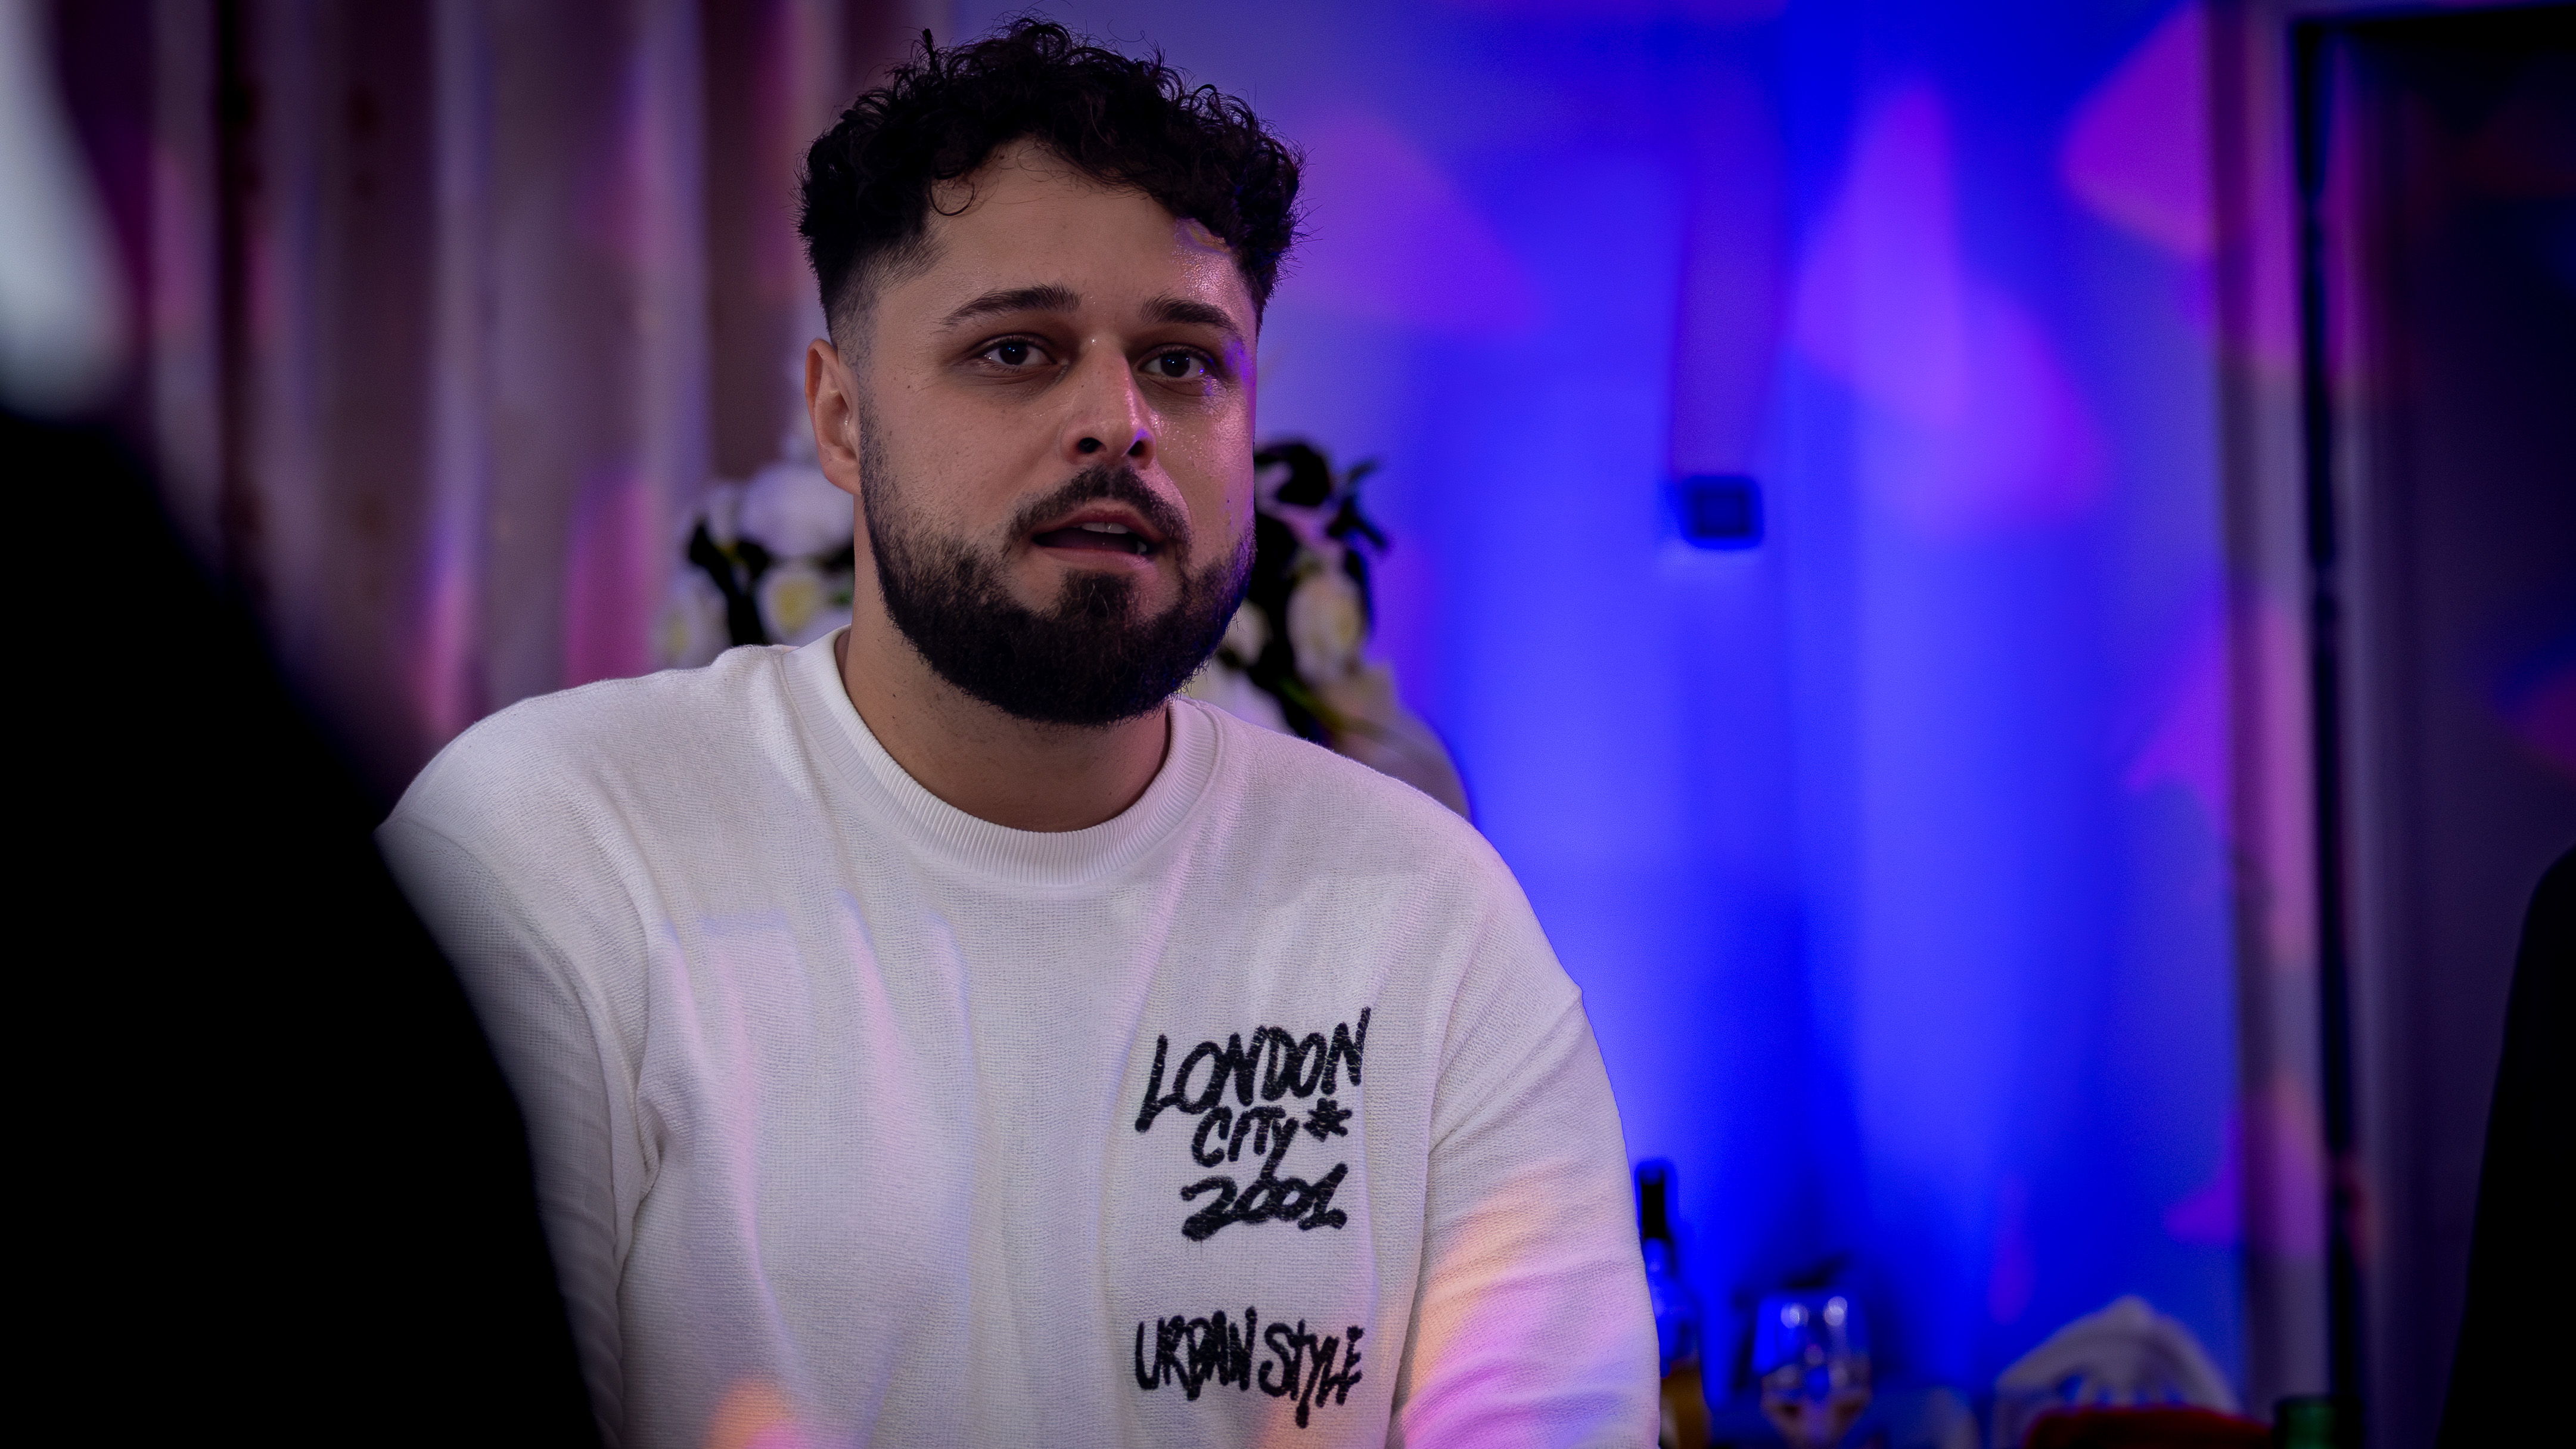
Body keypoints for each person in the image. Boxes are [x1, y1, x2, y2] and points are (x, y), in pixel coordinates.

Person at [380, 21, 1656, 1449]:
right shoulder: (553, 842)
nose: (1118, 421)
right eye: (1014, 350)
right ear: (841, 420)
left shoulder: (1425, 917)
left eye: (1182, 363)